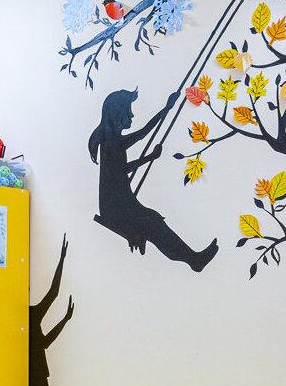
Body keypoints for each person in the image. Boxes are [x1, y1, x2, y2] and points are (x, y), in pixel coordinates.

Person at [87, 88, 216, 271]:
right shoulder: (112, 142)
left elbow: (127, 162)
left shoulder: (113, 140)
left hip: (122, 203)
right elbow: (138, 142)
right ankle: (193, 260)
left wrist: (150, 156)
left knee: (154, 219)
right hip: (116, 208)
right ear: (118, 114)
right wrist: (166, 109)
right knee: (153, 224)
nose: (132, 115)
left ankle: (193, 259)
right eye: (128, 111)